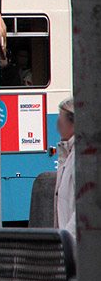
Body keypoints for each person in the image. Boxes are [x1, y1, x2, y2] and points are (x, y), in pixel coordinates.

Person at [54, 97, 76, 236]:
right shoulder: (68, 155)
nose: (57, 126)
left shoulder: (79, 159)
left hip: (73, 246)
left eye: (61, 121)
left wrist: (66, 239)